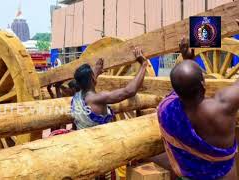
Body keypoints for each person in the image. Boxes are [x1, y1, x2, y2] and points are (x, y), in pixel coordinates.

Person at [157, 38, 237, 180]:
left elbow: (183, 88)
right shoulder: (224, 105)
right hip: (224, 176)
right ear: (203, 83)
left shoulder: (167, 110)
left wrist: (188, 59)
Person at [71, 48, 148, 130]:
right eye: (93, 74)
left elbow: (88, 83)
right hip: (98, 139)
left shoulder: (76, 97)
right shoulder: (99, 98)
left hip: (81, 137)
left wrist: (96, 71)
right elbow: (129, 91)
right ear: (92, 79)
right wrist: (143, 64)